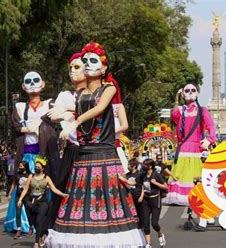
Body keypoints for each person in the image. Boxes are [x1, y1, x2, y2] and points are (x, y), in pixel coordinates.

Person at [46, 42, 145, 247]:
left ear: (104, 67)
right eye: (85, 61)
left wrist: (73, 121)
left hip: (105, 155)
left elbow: (99, 108)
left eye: (94, 61)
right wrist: (62, 115)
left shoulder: (108, 88)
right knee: (80, 205)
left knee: (109, 204)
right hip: (83, 156)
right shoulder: (80, 94)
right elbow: (77, 111)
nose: (88, 64)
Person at [46, 52, 87, 228]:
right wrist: (69, 112)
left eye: (77, 67)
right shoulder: (64, 95)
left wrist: (68, 111)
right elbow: (53, 115)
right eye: (70, 67)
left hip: (93, 148)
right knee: (63, 185)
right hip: (72, 149)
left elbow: (95, 113)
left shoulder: (97, 93)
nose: (72, 71)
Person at [164, 83, 215, 206]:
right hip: (182, 148)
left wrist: (209, 140)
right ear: (183, 93)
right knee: (182, 174)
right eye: (187, 90)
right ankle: (183, 197)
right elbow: (174, 115)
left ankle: (196, 195)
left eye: (193, 90)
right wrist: (177, 99)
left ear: (197, 93)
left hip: (196, 148)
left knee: (195, 174)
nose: (190, 92)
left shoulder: (202, 110)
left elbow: (211, 126)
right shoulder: (181, 110)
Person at [17, 157, 68, 248]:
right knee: (34, 221)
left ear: (42, 168)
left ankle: (36, 242)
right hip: (32, 201)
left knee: (39, 220)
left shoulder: (47, 178)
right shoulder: (31, 176)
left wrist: (62, 194)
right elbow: (25, 189)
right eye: (36, 166)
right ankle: (42, 234)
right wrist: (20, 199)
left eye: (38, 167)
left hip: (43, 202)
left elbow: (54, 189)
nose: (37, 168)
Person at [130, 159, 168, 248]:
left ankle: (160, 234)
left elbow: (165, 186)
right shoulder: (142, 175)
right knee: (145, 223)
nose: (143, 166)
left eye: (145, 165)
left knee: (154, 224)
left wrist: (155, 183)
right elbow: (132, 182)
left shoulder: (157, 175)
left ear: (150, 166)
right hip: (145, 201)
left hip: (155, 200)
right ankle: (148, 244)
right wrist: (121, 179)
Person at [4, 161, 34, 238]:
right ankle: (18, 230)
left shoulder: (30, 175)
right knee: (18, 213)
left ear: (25, 167)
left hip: (27, 196)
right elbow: (13, 184)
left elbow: (32, 186)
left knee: (28, 213)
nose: (20, 167)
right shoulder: (17, 174)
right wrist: (9, 194)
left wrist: (33, 196)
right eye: (19, 165)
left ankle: (31, 227)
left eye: (21, 166)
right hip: (18, 195)